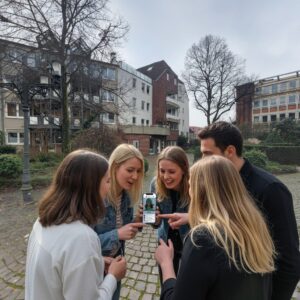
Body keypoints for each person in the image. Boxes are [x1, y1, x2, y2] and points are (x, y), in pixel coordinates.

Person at [198, 121, 300, 300]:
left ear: (230, 151)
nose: (203, 161)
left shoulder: (271, 189)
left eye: (207, 154)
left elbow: (289, 261)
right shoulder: (218, 184)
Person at [155, 155, 276, 300]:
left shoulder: (202, 238)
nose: (189, 192)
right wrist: (192, 218)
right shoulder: (255, 227)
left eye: (190, 186)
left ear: (200, 191)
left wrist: (166, 262)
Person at [25, 149, 126, 300]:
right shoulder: (82, 238)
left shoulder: (42, 221)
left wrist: (94, 261)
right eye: (107, 181)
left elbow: (60, 267)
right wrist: (112, 276)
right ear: (90, 187)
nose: (110, 187)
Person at [94, 143, 144, 300]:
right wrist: (117, 234)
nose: (135, 176)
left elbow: (125, 230)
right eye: (130, 170)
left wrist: (137, 221)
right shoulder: (96, 199)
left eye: (138, 171)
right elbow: (82, 244)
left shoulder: (126, 197)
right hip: (95, 269)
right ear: (114, 167)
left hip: (116, 266)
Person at [149, 146, 190, 277]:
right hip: (165, 241)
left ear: (184, 170)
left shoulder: (194, 186)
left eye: (172, 172)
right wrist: (155, 220)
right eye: (162, 171)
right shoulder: (155, 184)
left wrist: (190, 217)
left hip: (189, 243)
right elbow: (153, 222)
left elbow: (207, 218)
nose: (166, 177)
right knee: (166, 282)